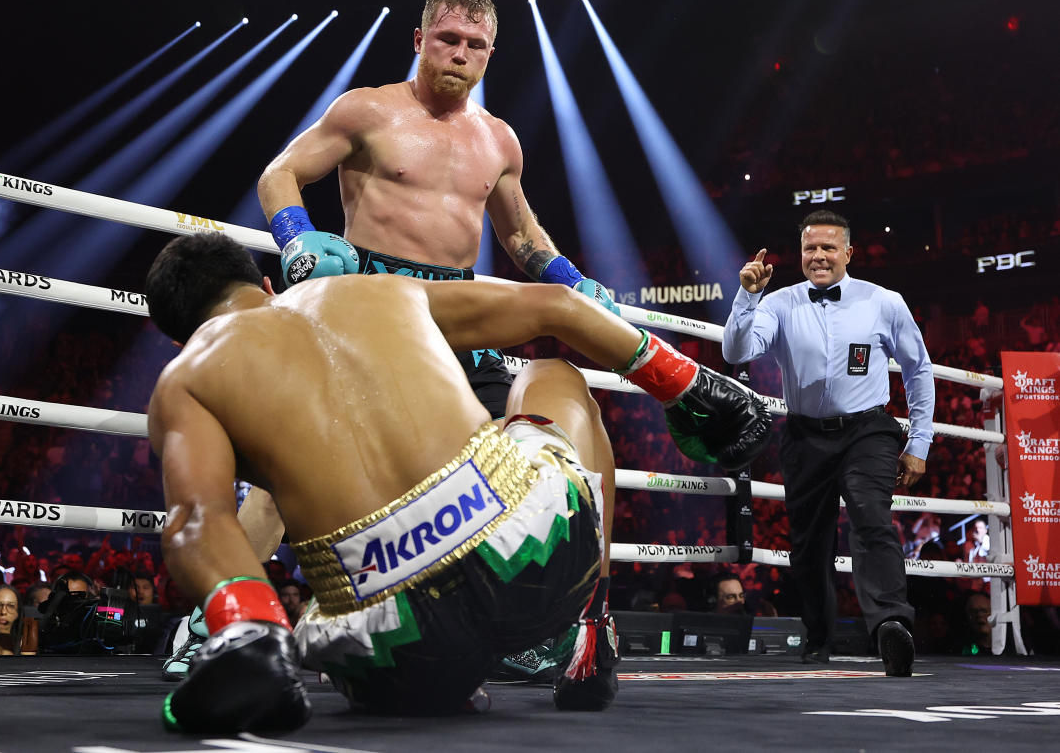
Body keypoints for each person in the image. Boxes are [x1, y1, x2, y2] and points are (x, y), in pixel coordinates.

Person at [143, 232, 768, 733]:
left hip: (395, 643)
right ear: (267, 284)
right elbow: (555, 306)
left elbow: (198, 521)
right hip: (537, 551)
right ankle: (588, 634)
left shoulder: (186, 379)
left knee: (302, 586)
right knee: (548, 371)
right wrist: (685, 383)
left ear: (177, 334)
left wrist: (250, 629)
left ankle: (253, 634)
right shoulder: (371, 290)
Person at [253, 0, 623, 685]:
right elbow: (280, 174)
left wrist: (574, 282)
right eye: (448, 39)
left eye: (476, 45)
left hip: (460, 319)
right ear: (420, 40)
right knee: (288, 467)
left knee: (520, 467)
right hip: (373, 309)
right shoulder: (366, 109)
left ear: (491, 54)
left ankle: (550, 629)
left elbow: (520, 234)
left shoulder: (498, 139)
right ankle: (215, 624)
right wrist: (297, 239)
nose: (461, 54)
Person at [723, 209, 935, 677]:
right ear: (800, 253)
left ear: (849, 252)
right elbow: (736, 352)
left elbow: (919, 369)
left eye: (828, 247)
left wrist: (919, 440)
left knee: (870, 514)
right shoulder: (777, 303)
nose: (818, 256)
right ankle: (817, 639)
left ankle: (890, 627)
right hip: (803, 433)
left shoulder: (884, 302)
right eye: (810, 248)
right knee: (808, 543)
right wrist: (746, 296)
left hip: (868, 430)